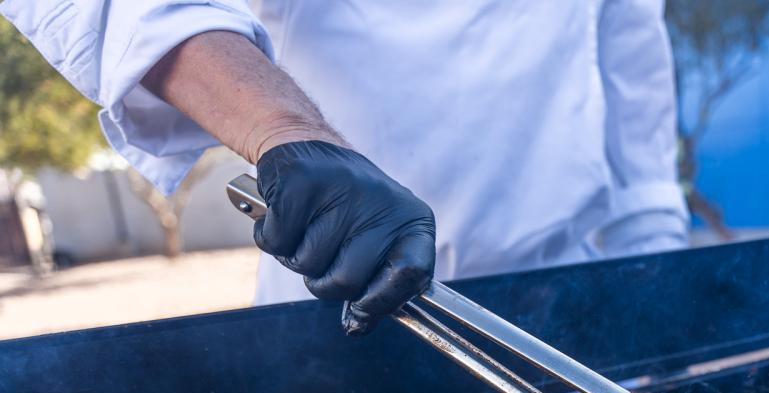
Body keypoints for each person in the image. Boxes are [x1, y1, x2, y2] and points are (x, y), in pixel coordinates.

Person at [2, 2, 689, 333]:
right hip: (336, 312)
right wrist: (288, 132)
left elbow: (634, 82)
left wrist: (657, 275)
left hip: (548, 313)